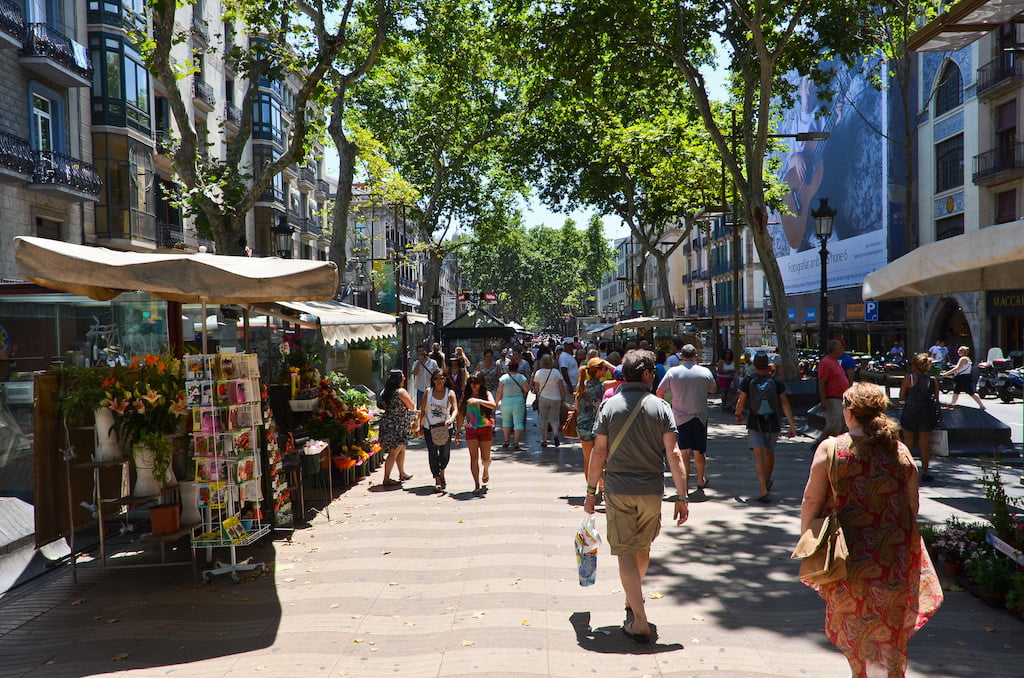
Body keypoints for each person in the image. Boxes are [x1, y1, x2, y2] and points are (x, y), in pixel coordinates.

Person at [800, 382, 943, 677]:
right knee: (889, 638)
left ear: (849, 412)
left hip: (848, 559)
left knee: (856, 634)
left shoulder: (832, 449)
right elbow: (912, 505)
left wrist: (809, 541)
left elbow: (811, 499)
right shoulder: (899, 451)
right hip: (894, 558)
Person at [583, 349, 690, 643]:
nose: (654, 375)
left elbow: (599, 452)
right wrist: (682, 496)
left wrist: (591, 492)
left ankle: (639, 618)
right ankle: (634, 602)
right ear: (644, 374)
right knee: (642, 548)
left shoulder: (609, 406)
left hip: (618, 490)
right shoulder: (661, 407)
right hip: (651, 491)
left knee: (626, 551)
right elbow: (674, 454)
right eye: (652, 371)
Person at [735, 353, 797, 503]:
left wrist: (738, 414)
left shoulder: (748, 380)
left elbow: (741, 400)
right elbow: (784, 403)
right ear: (768, 365)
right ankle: (767, 481)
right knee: (770, 453)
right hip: (773, 421)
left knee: (758, 455)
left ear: (755, 365)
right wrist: (791, 425)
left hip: (755, 421)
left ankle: (763, 488)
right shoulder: (776, 381)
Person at [656, 343, 717, 492]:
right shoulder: (705, 372)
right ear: (695, 356)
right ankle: (700, 479)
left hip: (680, 417)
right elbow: (714, 389)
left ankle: (684, 482)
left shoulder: (673, 372)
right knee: (699, 451)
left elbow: (659, 391)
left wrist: (667, 405)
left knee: (683, 452)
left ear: (681, 356)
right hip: (700, 417)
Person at [575, 357, 614, 494]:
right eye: (603, 369)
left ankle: (590, 488)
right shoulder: (602, 386)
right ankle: (602, 486)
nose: (605, 371)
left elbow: (576, 406)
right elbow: (623, 376)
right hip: (599, 427)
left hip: (583, 425)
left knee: (587, 458)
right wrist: (609, 364)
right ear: (598, 371)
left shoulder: (581, 385)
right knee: (601, 457)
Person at [899, 353, 940, 482]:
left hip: (910, 412)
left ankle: (906, 471)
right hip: (926, 414)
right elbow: (936, 398)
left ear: (914, 366)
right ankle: (925, 472)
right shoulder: (932, 380)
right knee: (924, 444)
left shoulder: (909, 378)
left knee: (908, 443)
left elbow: (901, 396)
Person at [417, 368, 458, 492]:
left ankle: (442, 471)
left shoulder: (449, 393)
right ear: (432, 380)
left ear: (445, 379)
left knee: (444, 454)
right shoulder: (428, 392)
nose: (439, 381)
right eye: (436, 378)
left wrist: (451, 419)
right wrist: (419, 425)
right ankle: (437, 478)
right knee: (433, 453)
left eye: (441, 378)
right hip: (430, 427)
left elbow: (455, 409)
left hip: (445, 428)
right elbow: (422, 409)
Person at [458, 372, 496, 496]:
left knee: (485, 459)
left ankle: (486, 469)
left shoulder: (486, 394)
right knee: (473, 458)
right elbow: (461, 414)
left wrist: (478, 401)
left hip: (485, 428)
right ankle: (476, 484)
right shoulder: (466, 396)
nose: (474, 385)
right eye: (471, 382)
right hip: (471, 429)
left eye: (476, 382)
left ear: (481, 383)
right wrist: (458, 432)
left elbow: (493, 405)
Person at [376, 369, 416, 487]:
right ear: (398, 379)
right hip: (398, 425)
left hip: (388, 423)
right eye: (402, 377)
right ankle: (386, 478)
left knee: (401, 449)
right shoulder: (401, 392)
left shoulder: (385, 391)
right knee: (393, 452)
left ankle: (402, 473)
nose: (404, 378)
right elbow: (412, 406)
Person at [817, 339, 849, 444]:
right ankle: (820, 444)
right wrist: (823, 400)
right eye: (840, 347)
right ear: (834, 349)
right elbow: (821, 382)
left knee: (842, 425)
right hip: (833, 399)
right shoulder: (826, 362)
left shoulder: (835, 362)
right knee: (834, 425)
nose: (842, 349)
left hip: (841, 399)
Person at [532, 354, 565, 448]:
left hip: (543, 398)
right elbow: (561, 387)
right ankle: (555, 435)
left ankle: (545, 440)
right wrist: (563, 398)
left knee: (543, 420)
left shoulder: (538, 373)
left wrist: (534, 391)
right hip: (556, 398)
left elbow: (537, 389)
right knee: (554, 419)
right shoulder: (556, 372)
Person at [496, 360, 528, 450]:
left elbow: (499, 391)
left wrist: (496, 403)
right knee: (518, 423)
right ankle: (516, 442)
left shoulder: (503, 378)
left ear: (508, 368)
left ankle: (506, 440)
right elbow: (526, 389)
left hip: (506, 402)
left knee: (506, 422)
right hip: (518, 402)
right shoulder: (521, 377)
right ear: (517, 368)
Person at [941, 345, 986, 410]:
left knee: (967, 392)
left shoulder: (963, 359)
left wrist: (947, 373)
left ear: (963, 352)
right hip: (965, 377)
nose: (958, 352)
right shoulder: (967, 358)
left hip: (963, 377)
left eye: (959, 351)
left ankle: (953, 404)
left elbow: (957, 368)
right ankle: (952, 404)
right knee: (958, 391)